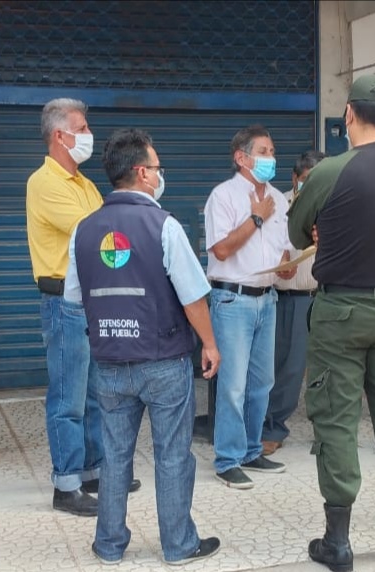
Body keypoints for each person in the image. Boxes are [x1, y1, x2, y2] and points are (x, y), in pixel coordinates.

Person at [289, 74, 375, 570]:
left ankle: (339, 542)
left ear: (349, 114)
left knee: (337, 422)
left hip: (340, 313)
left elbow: (294, 229)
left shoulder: (329, 171)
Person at [67, 128, 222, 566]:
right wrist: (209, 343)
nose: (160, 174)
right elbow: (193, 296)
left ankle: (109, 546)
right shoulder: (164, 225)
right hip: (164, 362)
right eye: (156, 167)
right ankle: (178, 546)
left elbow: (74, 299)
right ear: (141, 172)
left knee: (114, 458)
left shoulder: (84, 229)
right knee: (173, 456)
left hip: (110, 365)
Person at [25, 98, 139, 516]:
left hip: (92, 301)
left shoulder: (85, 184)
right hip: (64, 303)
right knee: (67, 398)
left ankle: (93, 470)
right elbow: (94, 231)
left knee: (95, 394)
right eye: (82, 127)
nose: (88, 135)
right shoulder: (44, 182)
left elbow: (107, 229)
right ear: (60, 135)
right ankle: (66, 484)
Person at [204, 125, 294, 489]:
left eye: (273, 151)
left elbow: (283, 250)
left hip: (267, 298)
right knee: (233, 386)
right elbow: (221, 250)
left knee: (262, 382)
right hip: (232, 300)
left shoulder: (279, 199)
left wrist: (289, 264)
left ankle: (251, 450)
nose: (270, 158)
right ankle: (227, 458)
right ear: (241, 158)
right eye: (263, 151)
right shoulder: (223, 196)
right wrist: (255, 217)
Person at [261, 150, 325, 456]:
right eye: (305, 182)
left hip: (328, 296)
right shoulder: (277, 206)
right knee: (287, 367)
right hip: (291, 298)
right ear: (294, 179)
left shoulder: (336, 204)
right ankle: (273, 427)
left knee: (330, 370)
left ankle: (327, 431)